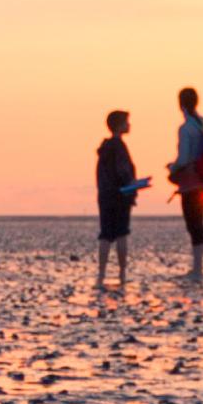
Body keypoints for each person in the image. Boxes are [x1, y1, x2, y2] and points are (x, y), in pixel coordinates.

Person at [170, 86, 203, 281]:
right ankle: (199, 267)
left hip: (190, 181)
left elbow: (183, 157)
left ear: (181, 104)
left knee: (193, 224)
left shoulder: (185, 128)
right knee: (199, 222)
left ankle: (197, 269)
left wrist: (172, 167)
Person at [94, 109, 138, 291]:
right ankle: (122, 274)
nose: (129, 125)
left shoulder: (105, 148)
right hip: (120, 196)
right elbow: (124, 172)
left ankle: (101, 274)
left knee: (105, 235)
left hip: (105, 196)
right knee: (121, 234)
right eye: (126, 121)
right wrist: (133, 187)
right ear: (120, 125)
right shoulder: (119, 146)